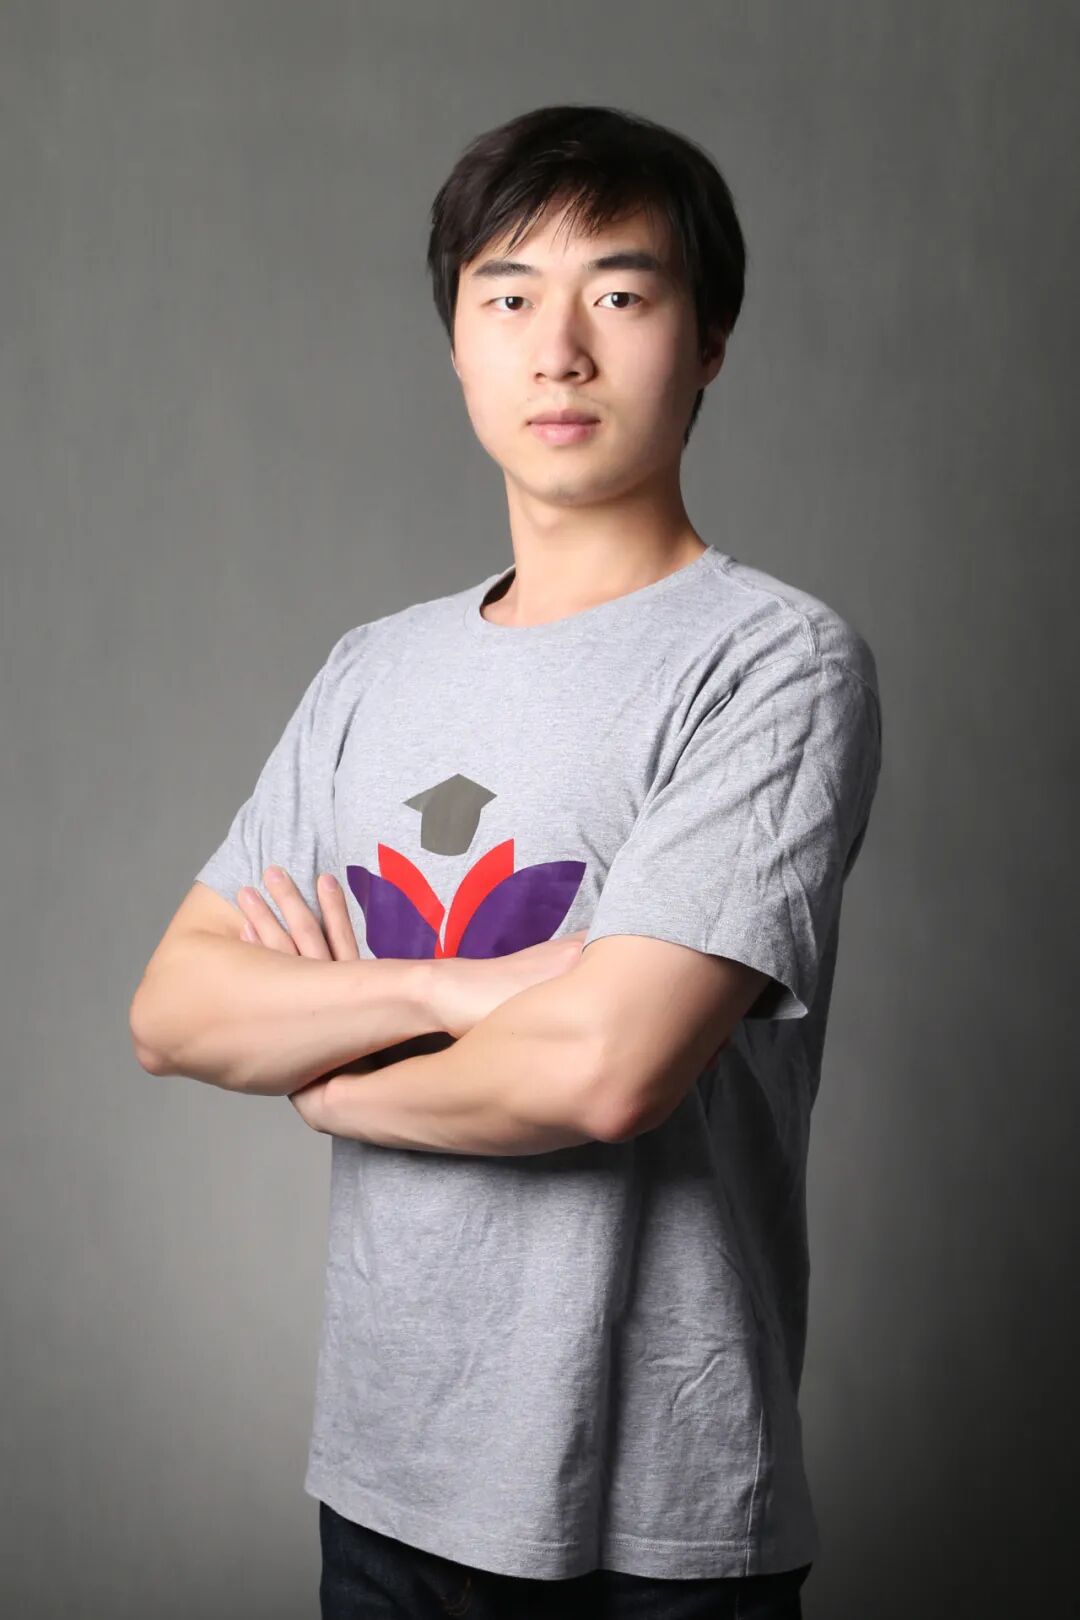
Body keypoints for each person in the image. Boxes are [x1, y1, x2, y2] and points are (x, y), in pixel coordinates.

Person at [137, 104, 882, 1619]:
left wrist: (337, 1079)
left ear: (710, 341)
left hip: (661, 1527)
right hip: (385, 1489)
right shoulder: (372, 670)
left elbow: (606, 1072)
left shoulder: (773, 663)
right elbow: (175, 1010)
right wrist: (457, 992)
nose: (560, 350)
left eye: (621, 293)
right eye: (508, 296)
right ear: (458, 346)